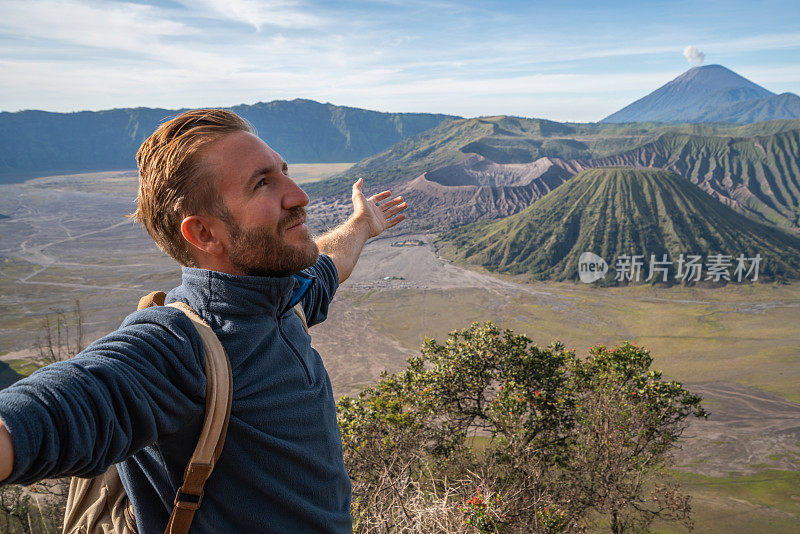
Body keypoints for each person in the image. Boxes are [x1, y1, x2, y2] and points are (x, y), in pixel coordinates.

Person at [0, 109, 407, 532]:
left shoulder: (288, 299)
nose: (300, 195)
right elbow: (58, 405)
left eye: (284, 172)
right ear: (206, 235)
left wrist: (362, 224)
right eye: (263, 183)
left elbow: (330, 263)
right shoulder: (177, 347)